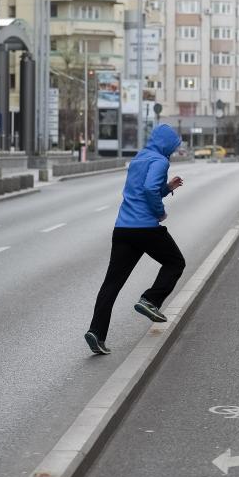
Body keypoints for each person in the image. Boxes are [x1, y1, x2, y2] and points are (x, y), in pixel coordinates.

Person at [84, 124, 186, 355]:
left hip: (123, 229)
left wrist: (167, 188)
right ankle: (150, 299)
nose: (174, 149)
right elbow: (149, 190)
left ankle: (96, 333)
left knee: (111, 284)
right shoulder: (160, 161)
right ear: (167, 143)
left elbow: (140, 189)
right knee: (175, 263)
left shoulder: (141, 158)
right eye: (174, 144)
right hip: (146, 229)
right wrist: (160, 212)